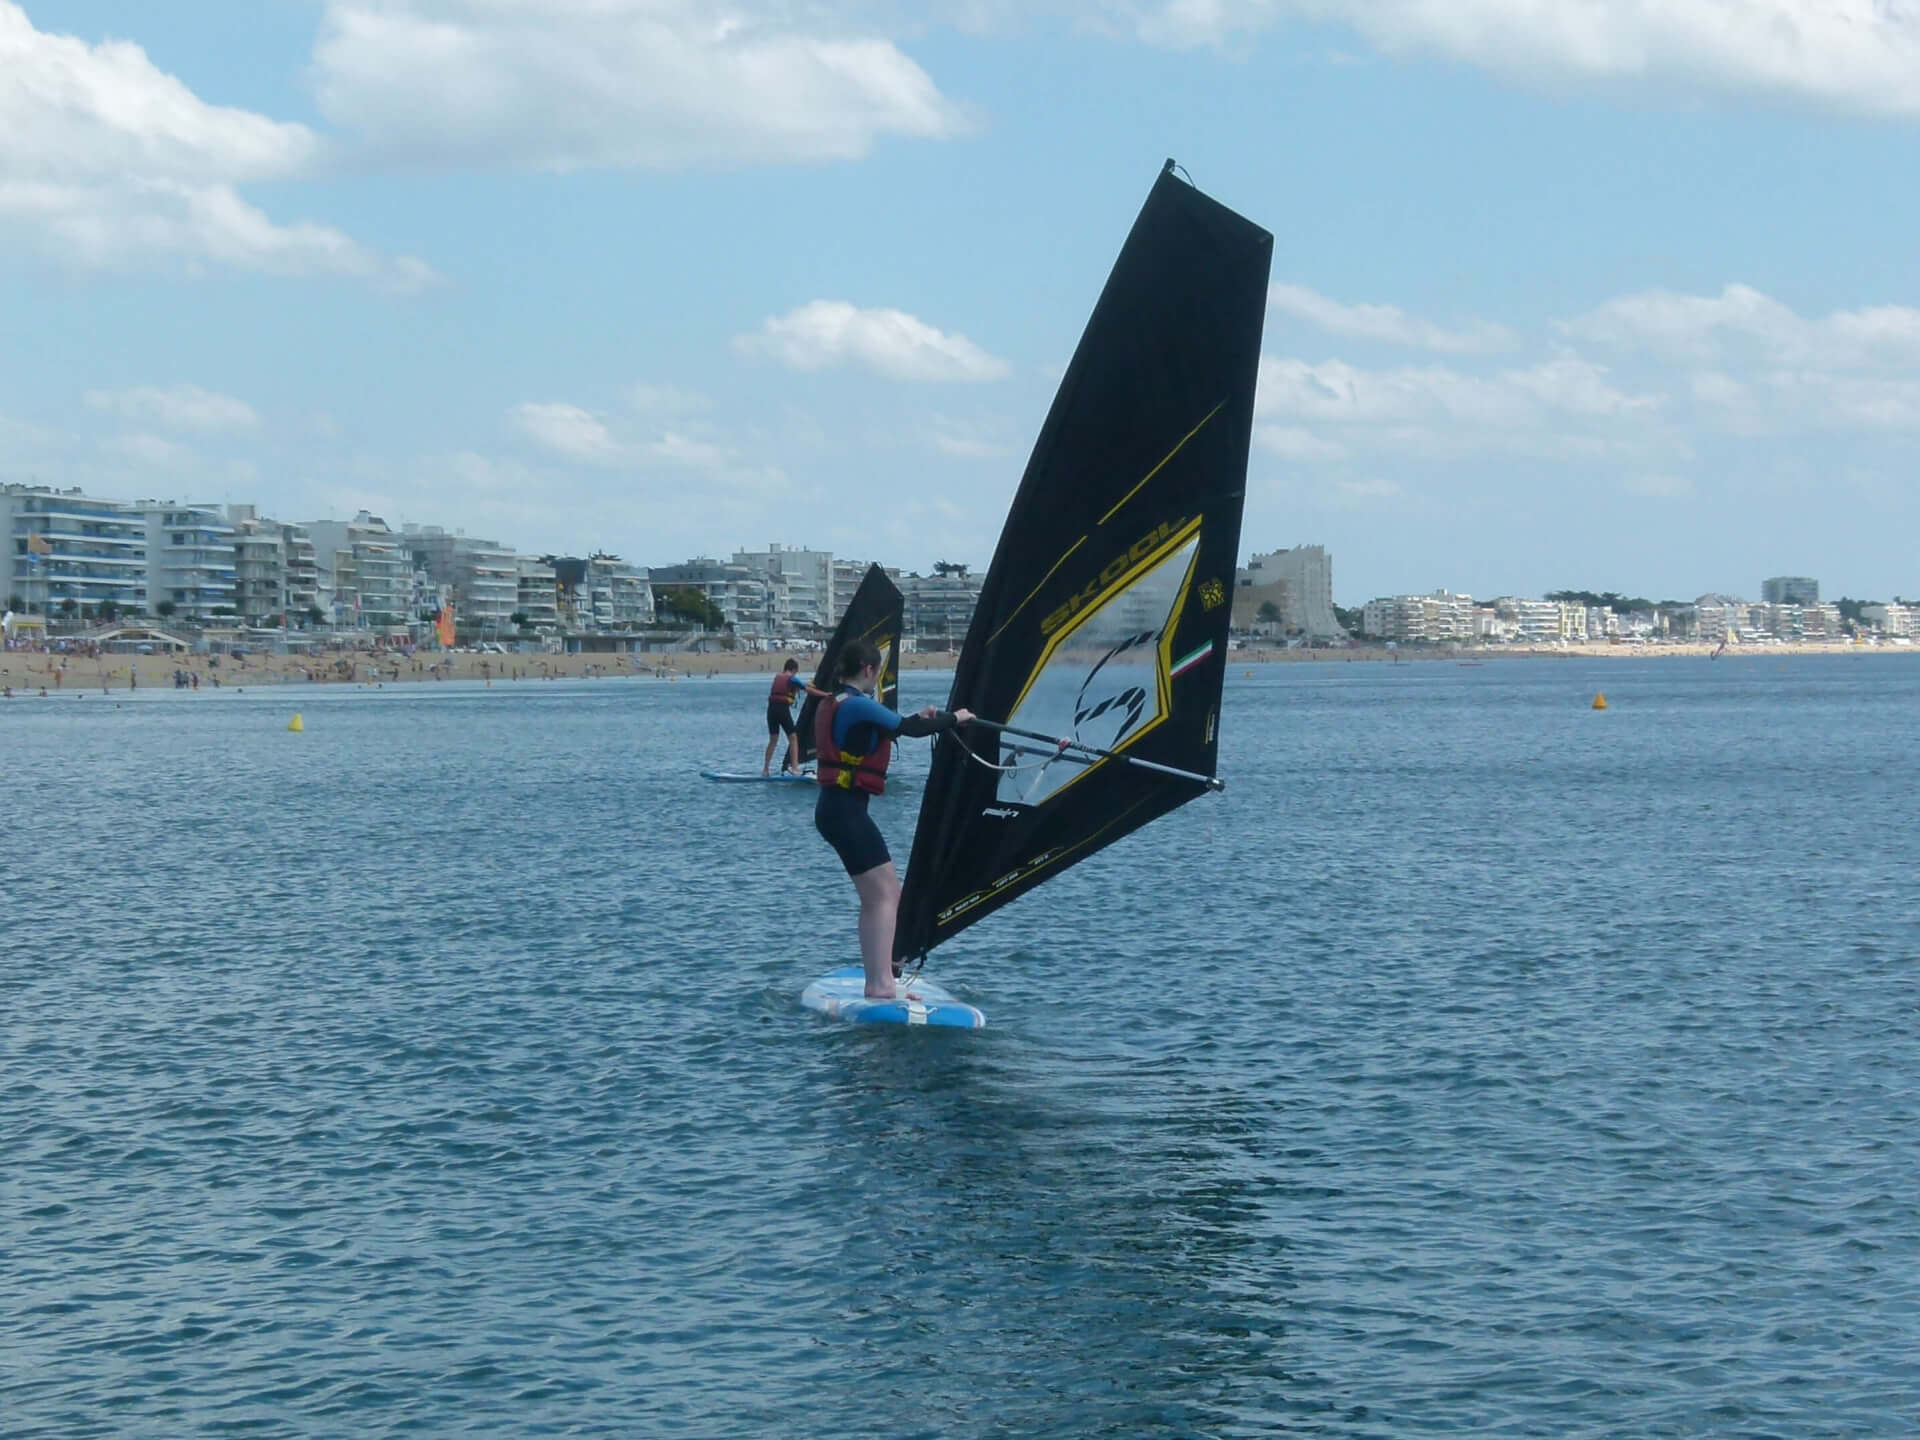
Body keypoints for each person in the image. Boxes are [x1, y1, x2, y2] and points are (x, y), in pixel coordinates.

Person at [813, 640, 972, 999]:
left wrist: (927, 716)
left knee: (877, 898)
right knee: (886, 895)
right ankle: (882, 983)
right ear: (869, 670)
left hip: (835, 809)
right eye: (877, 671)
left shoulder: (837, 702)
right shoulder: (858, 705)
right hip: (845, 813)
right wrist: (956, 719)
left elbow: (899, 724)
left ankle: (879, 980)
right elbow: (908, 729)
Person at [762, 657, 826, 777]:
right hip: (781, 709)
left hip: (771, 710)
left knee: (773, 740)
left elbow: (799, 685)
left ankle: (765, 769)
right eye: (796, 672)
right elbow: (808, 690)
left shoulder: (778, 677)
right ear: (793, 669)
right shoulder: (791, 678)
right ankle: (795, 768)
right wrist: (826, 695)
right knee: (793, 737)